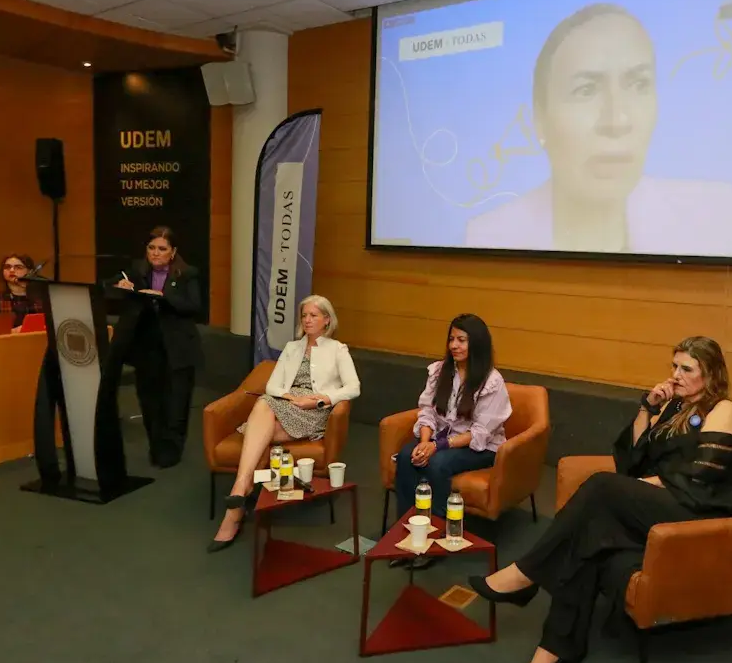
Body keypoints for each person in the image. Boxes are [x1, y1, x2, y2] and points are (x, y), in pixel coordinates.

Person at [468, 336, 732, 663]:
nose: (676, 375)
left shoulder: (724, 409)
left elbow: (699, 477)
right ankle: (554, 649)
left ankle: (526, 574)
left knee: (603, 487)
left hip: (699, 515)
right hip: (665, 503)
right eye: (674, 366)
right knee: (591, 536)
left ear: (710, 374)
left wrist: (642, 486)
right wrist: (647, 408)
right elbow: (632, 460)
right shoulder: (675, 407)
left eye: (687, 369)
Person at [465, 4, 732, 256]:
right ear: (540, 118)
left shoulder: (720, 218)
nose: (617, 121)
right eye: (586, 90)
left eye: (639, 84)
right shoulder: (490, 236)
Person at [208, 294, 360, 552]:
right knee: (265, 403)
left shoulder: (338, 349)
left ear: (326, 320)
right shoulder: (292, 348)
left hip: (314, 410)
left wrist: (321, 400)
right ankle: (241, 489)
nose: (307, 320)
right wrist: (289, 397)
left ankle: (238, 497)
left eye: (313, 315)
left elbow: (353, 387)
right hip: (286, 404)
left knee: (261, 417)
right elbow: (273, 386)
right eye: (304, 315)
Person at [392, 313, 511, 566]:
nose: (454, 345)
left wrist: (437, 447)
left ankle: (436, 539)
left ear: (476, 343)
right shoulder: (440, 371)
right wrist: (425, 442)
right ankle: (408, 533)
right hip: (441, 439)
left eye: (461, 340)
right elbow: (427, 412)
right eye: (451, 339)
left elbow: (480, 432)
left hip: (480, 447)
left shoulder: (491, 381)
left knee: (437, 464)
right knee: (405, 456)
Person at [107, 226, 202, 469]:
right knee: (149, 400)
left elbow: (193, 305)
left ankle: (172, 449)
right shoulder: (137, 270)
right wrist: (120, 286)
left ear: (173, 252)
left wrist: (161, 296)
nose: (155, 253)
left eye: (162, 248)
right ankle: (157, 446)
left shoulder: (187, 274)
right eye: (151, 248)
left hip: (177, 348)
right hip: (146, 347)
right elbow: (108, 285)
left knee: (176, 402)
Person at [0, 253, 44, 328]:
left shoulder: (42, 295)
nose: (12, 270)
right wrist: (13, 331)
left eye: (18, 267)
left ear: (30, 272)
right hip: (4, 335)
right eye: (7, 267)